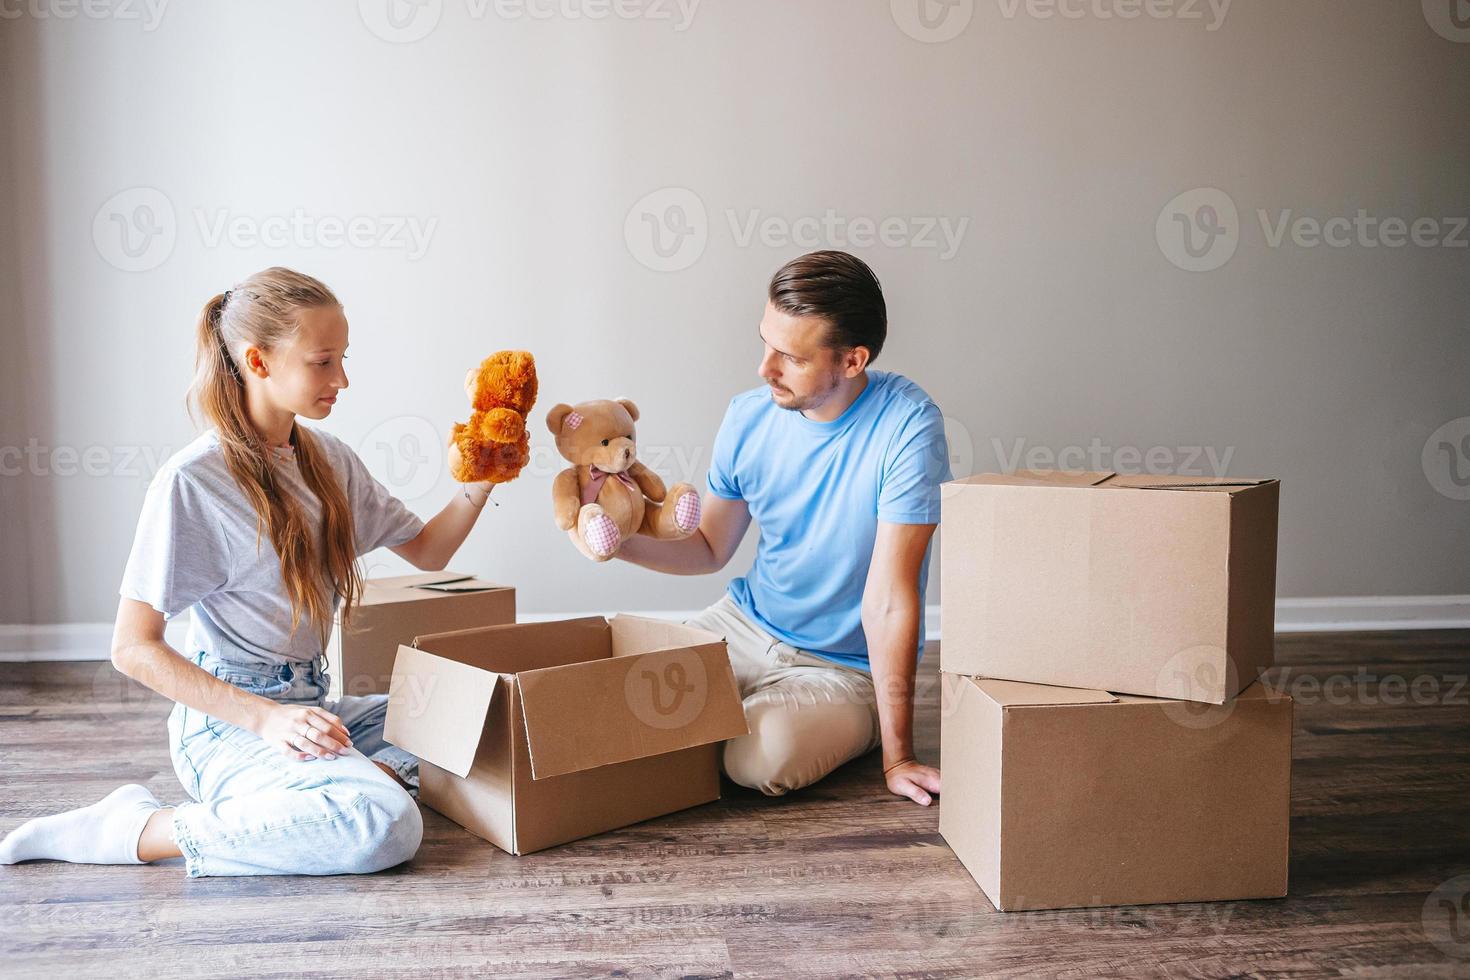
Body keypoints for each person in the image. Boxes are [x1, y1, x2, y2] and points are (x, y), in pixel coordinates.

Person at [0, 267, 497, 876]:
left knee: (474, 725)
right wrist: (267, 718)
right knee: (384, 826)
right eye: (323, 362)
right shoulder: (194, 482)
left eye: (343, 359)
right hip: (228, 723)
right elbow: (132, 648)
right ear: (258, 362)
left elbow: (427, 552)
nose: (342, 379)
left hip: (311, 703)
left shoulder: (330, 460)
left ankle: (321, 791)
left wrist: (484, 477)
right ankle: (137, 828)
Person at [617, 251, 952, 805]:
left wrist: (900, 757)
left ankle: (818, 725)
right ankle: (724, 714)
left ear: (851, 361)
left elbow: (890, 601)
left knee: (758, 758)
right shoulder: (748, 416)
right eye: (765, 343)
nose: (764, 368)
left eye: (790, 357)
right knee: (614, 695)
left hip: (844, 667)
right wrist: (618, 542)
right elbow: (708, 549)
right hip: (746, 623)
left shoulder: (909, 426)